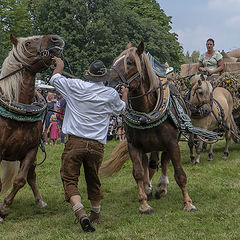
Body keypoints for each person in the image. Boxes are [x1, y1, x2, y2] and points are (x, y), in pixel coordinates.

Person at [50, 57, 128, 232]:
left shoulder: (75, 85)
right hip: (96, 145)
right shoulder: (110, 94)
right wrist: (125, 94)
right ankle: (96, 214)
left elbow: (54, 79)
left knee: (69, 179)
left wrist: (59, 66)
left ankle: (81, 213)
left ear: (89, 74)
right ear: (103, 77)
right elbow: (122, 109)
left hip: (74, 142)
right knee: (93, 179)